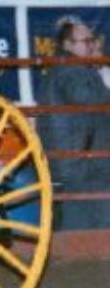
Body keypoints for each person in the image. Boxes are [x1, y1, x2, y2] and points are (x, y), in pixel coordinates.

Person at [36, 17, 110, 229]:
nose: (92, 46)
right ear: (67, 44)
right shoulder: (72, 70)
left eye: (92, 41)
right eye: (86, 41)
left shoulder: (64, 69)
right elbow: (93, 101)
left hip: (71, 158)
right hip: (79, 163)